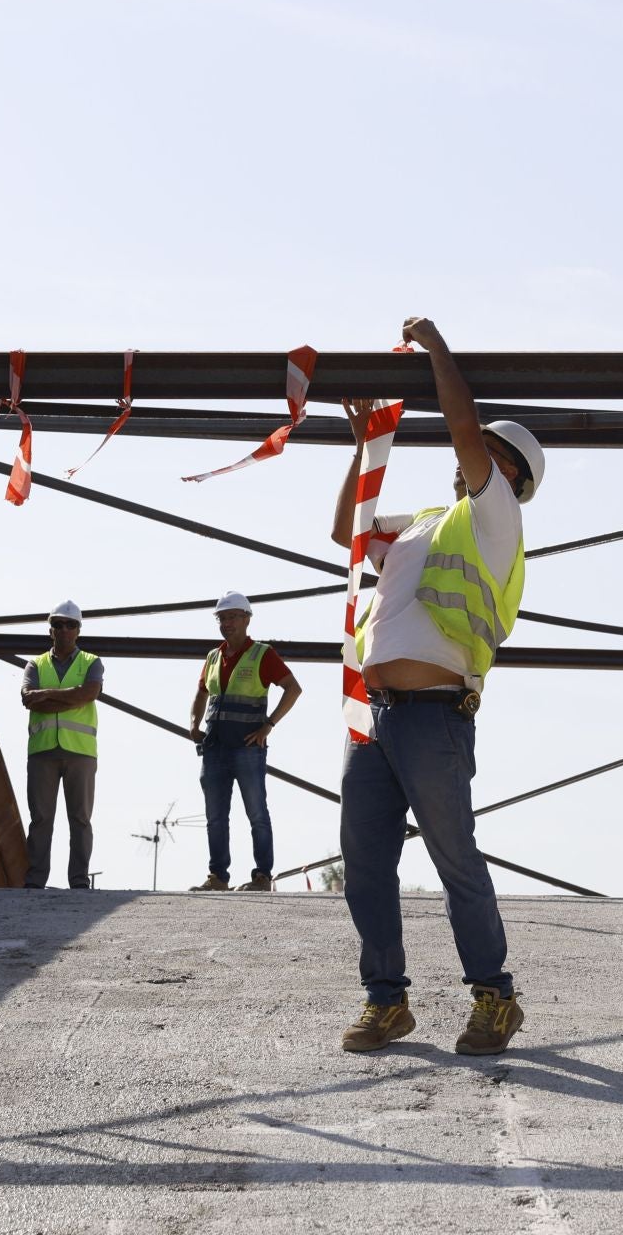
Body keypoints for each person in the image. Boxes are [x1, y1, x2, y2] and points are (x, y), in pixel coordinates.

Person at [328, 316, 545, 1057]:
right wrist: (365, 447)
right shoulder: (423, 523)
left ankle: (496, 995)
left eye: (489, 453)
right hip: (379, 717)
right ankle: (386, 1001)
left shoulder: (496, 518)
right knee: (365, 862)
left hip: (434, 720)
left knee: (456, 860)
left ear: (509, 474)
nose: (471, 458)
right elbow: (344, 534)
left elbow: (459, 425)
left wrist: (438, 353)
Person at [186, 591, 302, 893]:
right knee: (215, 817)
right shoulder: (213, 656)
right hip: (214, 748)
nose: (227, 623)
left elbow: (293, 688)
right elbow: (201, 693)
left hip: (248, 748)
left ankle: (262, 877)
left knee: (256, 814)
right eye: (223, 618)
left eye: (233, 617)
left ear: (247, 619)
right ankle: (218, 878)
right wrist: (194, 724)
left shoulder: (262, 654)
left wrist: (268, 725)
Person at [22, 601, 103, 890]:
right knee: (40, 819)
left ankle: (78, 881)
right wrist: (71, 696)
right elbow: (28, 698)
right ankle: (35, 881)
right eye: (58, 624)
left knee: (80, 819)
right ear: (50, 629)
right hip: (43, 751)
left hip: (80, 752)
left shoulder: (92, 662)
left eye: (70, 624)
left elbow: (89, 693)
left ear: (78, 630)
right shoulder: (36, 663)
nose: (64, 629)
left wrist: (47, 696)